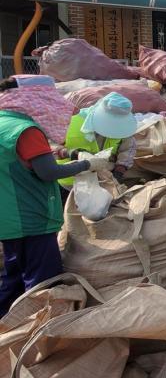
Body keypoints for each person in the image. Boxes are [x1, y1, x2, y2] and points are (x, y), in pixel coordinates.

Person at [0, 75, 112, 315]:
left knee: (13, 279)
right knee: (42, 283)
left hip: (7, 220)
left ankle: (6, 325)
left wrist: (63, 153)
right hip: (31, 219)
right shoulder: (26, 131)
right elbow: (48, 172)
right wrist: (86, 165)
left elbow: (19, 159)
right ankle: (38, 328)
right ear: (37, 99)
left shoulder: (4, 123)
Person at [56, 92, 137, 191]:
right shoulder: (71, 120)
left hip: (102, 182)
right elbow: (50, 149)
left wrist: (118, 172)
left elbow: (128, 149)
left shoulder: (123, 129)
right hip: (69, 182)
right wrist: (68, 152)